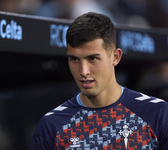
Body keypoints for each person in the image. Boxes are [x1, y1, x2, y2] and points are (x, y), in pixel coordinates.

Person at [29, 12, 168, 150]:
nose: (83, 71)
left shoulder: (157, 113)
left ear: (115, 57)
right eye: (74, 59)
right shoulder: (51, 126)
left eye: (93, 59)